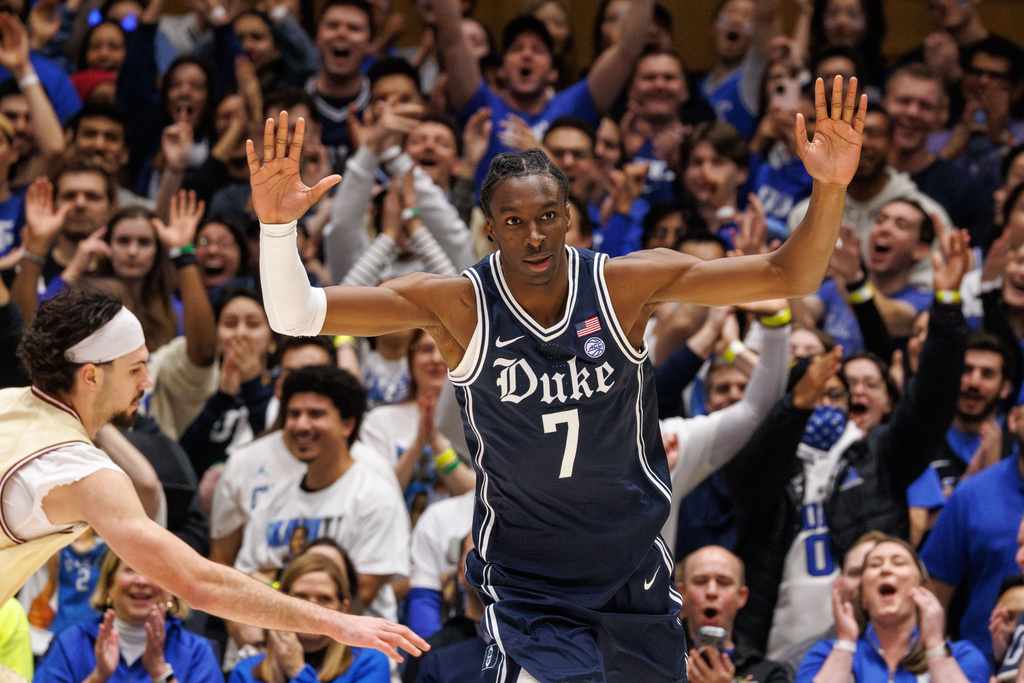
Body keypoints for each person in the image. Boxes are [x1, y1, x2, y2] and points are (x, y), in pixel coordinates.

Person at [252, 73, 866, 681]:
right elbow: (295, 313)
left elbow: (791, 274)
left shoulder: (624, 284)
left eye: (548, 215)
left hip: (633, 573)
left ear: (570, 215)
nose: (534, 235)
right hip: (530, 585)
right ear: (489, 229)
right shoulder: (457, 305)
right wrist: (278, 229)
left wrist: (831, 186)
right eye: (514, 222)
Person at [0, 288, 428, 682]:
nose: (146, 383)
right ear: (91, 376)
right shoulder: (81, 472)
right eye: (135, 369)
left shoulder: (7, 403)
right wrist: (338, 622)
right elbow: (198, 583)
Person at [796, 536, 989, 683]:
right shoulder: (825, 654)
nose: (885, 570)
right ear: (863, 597)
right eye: (875, 564)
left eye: (899, 562)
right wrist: (845, 643)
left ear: (923, 590)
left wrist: (935, 646)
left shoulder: (962, 656)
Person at [34, 548, 222, 683]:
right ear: (109, 586)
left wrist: (159, 671)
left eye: (154, 572)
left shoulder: (197, 652)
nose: (141, 581)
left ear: (171, 591)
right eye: (130, 569)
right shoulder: (70, 643)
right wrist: (98, 677)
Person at [229, 553, 390, 683]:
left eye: (324, 599)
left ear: (343, 608)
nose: (312, 608)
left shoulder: (369, 663)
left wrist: (298, 671)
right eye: (301, 597)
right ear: (280, 602)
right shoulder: (246, 671)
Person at [677, 545, 788, 683]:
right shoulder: (658, 658)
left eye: (724, 583)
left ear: (742, 596)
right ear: (681, 593)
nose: (711, 592)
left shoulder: (768, 673)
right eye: (700, 582)